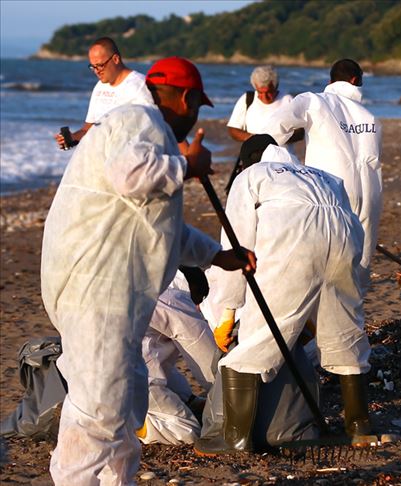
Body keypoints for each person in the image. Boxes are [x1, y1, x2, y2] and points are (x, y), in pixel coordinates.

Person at [40, 56, 254, 484]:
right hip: (96, 290)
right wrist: (188, 166)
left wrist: (217, 255)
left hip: (114, 293)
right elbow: (131, 176)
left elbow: (161, 230)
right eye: (196, 107)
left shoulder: (143, 132)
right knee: (100, 412)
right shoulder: (138, 120)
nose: (194, 116)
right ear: (188, 98)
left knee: (126, 405)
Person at [195, 144, 372, 454]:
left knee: (259, 339)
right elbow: (338, 229)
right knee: (345, 329)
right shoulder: (327, 177)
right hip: (346, 235)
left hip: (295, 235)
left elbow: (236, 243)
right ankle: (359, 427)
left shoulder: (253, 175)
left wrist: (228, 313)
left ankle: (234, 438)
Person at [267, 58, 382, 295]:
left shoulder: (315, 100)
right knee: (359, 269)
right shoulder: (369, 116)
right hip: (369, 193)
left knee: (323, 263)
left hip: (331, 192)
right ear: (356, 81)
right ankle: (353, 320)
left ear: (330, 81)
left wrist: (283, 165)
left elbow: (272, 127)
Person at [136, 270, 220, 446]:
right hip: (128, 383)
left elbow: (153, 357)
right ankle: (132, 425)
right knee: (189, 433)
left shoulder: (143, 283)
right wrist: (225, 392)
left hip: (88, 374)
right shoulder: (176, 300)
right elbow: (204, 353)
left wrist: (188, 398)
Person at [53, 37, 153, 149]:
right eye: (93, 67)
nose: (96, 71)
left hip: (128, 160)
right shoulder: (100, 86)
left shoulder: (140, 86)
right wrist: (71, 138)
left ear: (115, 59)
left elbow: (154, 132)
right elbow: (88, 129)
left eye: (100, 65)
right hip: (100, 160)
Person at [227, 65, 293, 143]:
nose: (265, 97)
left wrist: (275, 139)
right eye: (260, 92)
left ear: (276, 87)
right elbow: (233, 129)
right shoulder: (247, 99)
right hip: (253, 153)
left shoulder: (288, 100)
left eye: (268, 92)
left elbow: (300, 132)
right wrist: (254, 139)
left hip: (282, 154)